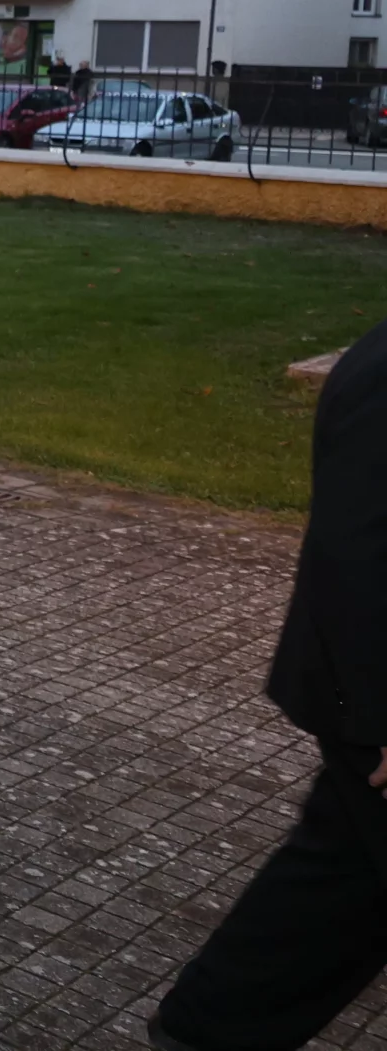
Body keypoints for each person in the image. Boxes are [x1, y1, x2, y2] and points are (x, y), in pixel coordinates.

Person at [148, 316, 387, 1051]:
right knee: (338, 885)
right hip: (371, 700)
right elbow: (360, 554)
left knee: (341, 888)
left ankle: (204, 1031)